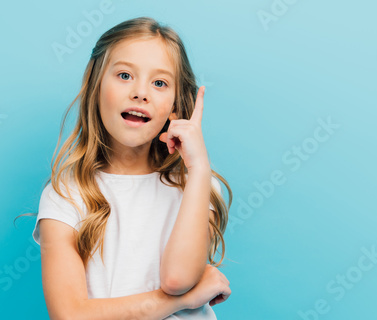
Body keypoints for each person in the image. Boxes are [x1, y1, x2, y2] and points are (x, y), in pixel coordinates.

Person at [32, 17, 233, 319]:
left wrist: (200, 167)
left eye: (160, 83)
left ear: (176, 105)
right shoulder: (65, 195)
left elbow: (177, 279)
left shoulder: (196, 184)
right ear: (96, 85)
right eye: (125, 75)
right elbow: (69, 315)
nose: (141, 92)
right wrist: (181, 301)